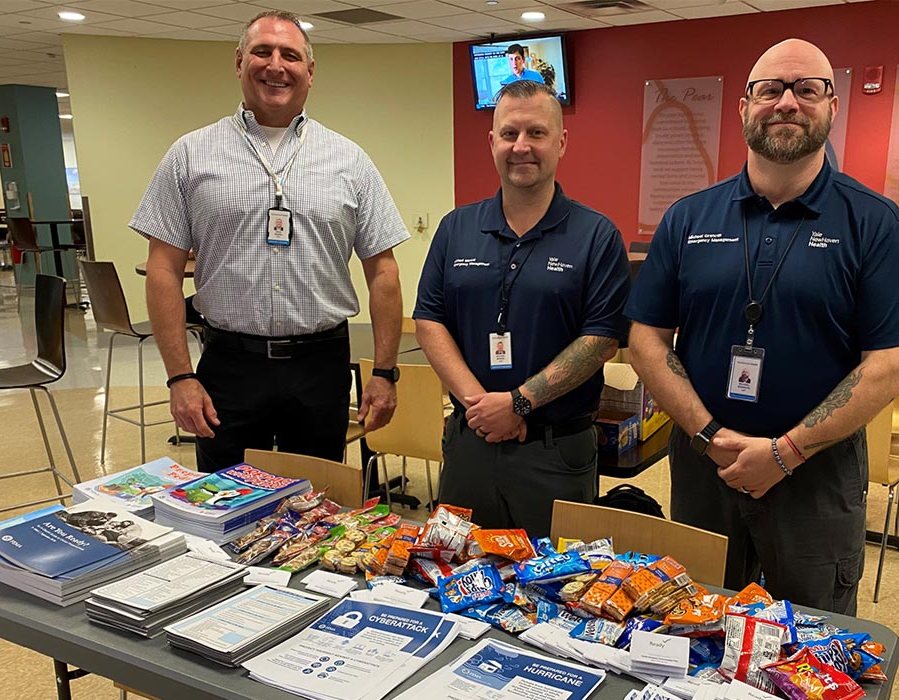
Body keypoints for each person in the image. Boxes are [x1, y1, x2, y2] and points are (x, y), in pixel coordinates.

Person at [625, 38, 899, 615]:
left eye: (807, 89)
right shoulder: (688, 217)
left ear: (832, 106)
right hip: (704, 465)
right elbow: (645, 340)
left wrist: (785, 452)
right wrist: (712, 436)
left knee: (811, 641)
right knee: (696, 627)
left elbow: (892, 364)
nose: (787, 102)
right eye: (770, 89)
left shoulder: (876, 223)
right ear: (744, 107)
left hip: (817, 473)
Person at [131, 10, 409, 472]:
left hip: (321, 365)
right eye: (262, 52)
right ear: (239, 62)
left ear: (310, 71)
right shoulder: (190, 154)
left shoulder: (350, 160)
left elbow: (383, 269)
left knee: (318, 508)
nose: (275, 65)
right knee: (226, 509)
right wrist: (180, 377)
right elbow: (162, 268)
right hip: (228, 366)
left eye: (290, 55)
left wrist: (383, 372)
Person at [413, 81, 630, 538]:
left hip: (555, 450)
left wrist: (518, 403)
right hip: (470, 442)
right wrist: (482, 407)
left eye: (536, 133)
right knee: (457, 574)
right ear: (491, 142)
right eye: (509, 134)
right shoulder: (457, 228)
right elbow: (429, 320)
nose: (521, 147)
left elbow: (601, 340)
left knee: (559, 590)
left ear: (561, 142)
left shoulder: (597, 236)